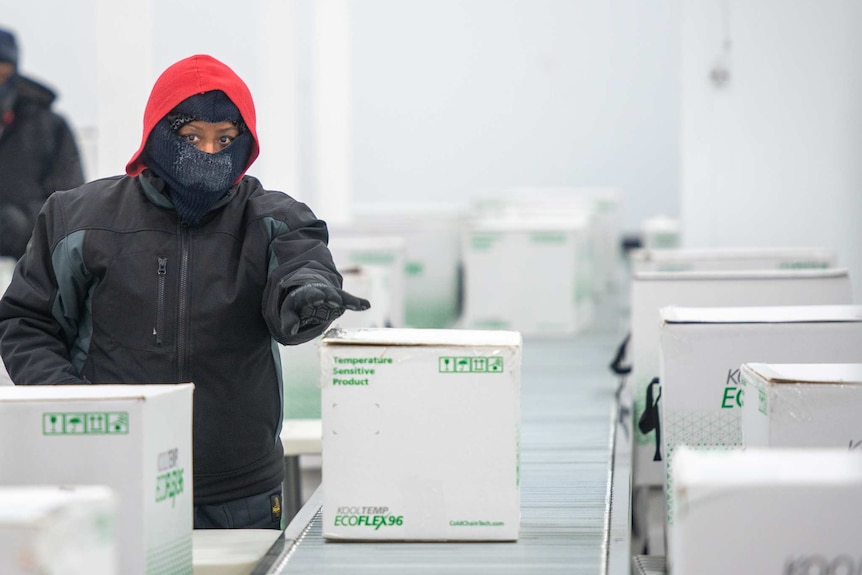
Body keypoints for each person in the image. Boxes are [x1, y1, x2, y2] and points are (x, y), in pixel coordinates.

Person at [0, 54, 370, 529]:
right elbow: (26, 323)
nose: (208, 154)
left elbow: (301, 267)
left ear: (246, 143)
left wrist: (308, 297)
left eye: (225, 140)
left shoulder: (273, 218)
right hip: (109, 481)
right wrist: (76, 407)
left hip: (240, 496)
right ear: (157, 133)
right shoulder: (78, 218)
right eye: (191, 137)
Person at [0, 27, 85, 259]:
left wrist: (20, 225)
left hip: (32, 271)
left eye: (2, 71)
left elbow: (71, 204)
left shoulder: (50, 128)